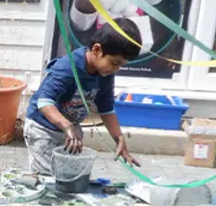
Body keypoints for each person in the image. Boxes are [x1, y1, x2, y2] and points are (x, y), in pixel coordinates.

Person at [25, 20, 142, 176]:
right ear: (97, 50)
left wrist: (119, 139)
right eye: (114, 63)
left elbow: (106, 109)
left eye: (121, 65)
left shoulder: (105, 73)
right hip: (43, 129)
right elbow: (44, 102)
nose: (116, 69)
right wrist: (67, 127)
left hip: (70, 129)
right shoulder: (68, 67)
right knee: (46, 177)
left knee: (69, 175)